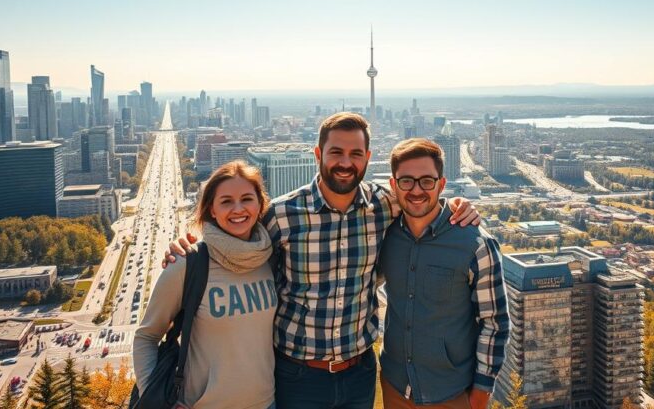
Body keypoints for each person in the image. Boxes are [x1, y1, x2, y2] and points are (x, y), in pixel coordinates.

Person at [164, 112, 481, 409]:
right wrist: (192, 246)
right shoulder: (283, 214)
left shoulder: (385, 205)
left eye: (356, 154)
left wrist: (457, 204)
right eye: (336, 153)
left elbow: (423, 198)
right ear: (318, 155)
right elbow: (242, 250)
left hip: (360, 372)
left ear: (368, 159)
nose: (346, 163)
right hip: (298, 376)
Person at [379, 139, 508, 409]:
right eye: (406, 181)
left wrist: (480, 395)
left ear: (442, 183)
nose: (416, 190)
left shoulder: (476, 245)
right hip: (394, 388)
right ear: (393, 185)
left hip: (451, 394)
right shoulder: (384, 236)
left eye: (427, 181)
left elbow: (494, 324)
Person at [135, 161, 276, 409]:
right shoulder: (188, 264)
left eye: (247, 199)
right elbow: (146, 335)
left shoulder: (270, 259)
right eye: (226, 201)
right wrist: (156, 399)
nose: (238, 209)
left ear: (260, 204)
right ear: (211, 209)